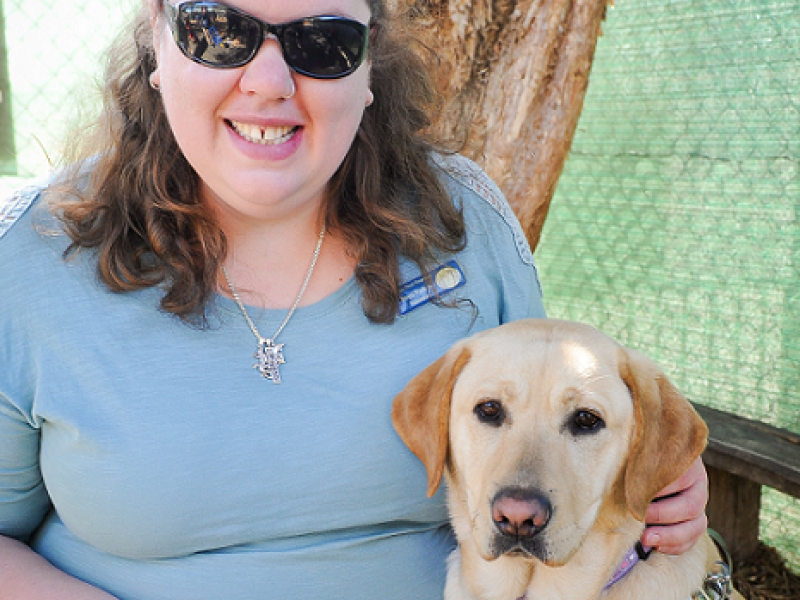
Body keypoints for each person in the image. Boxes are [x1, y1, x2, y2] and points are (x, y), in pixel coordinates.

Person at [0, 0, 709, 598]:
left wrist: (666, 484)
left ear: (369, 66)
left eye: (323, 43)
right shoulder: (29, 261)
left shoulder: (467, 226)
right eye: (216, 32)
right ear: (158, 39)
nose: (269, 82)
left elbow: (557, 419)